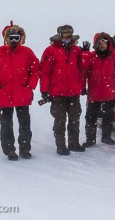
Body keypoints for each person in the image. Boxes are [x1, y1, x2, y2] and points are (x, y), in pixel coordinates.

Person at [0, 22, 39, 161]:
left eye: (17, 37)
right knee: (6, 124)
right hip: (3, 95)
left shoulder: (27, 52)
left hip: (22, 94)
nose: (15, 40)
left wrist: (30, 86)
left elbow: (35, 69)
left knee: (25, 123)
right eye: (12, 37)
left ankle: (25, 148)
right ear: (7, 37)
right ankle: (9, 150)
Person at [40, 25, 86, 155]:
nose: (67, 38)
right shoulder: (50, 50)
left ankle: (73, 143)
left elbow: (83, 69)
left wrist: (82, 87)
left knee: (74, 118)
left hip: (73, 92)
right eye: (65, 36)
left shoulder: (77, 50)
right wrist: (44, 90)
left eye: (69, 36)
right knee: (60, 120)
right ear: (60, 36)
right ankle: (60, 145)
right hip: (57, 92)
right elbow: (44, 72)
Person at [82, 32, 115, 147]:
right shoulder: (91, 56)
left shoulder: (114, 56)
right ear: (96, 44)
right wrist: (82, 87)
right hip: (94, 92)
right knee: (90, 116)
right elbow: (83, 72)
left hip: (109, 92)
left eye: (105, 42)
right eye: (101, 42)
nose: (103, 45)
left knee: (108, 116)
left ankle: (106, 137)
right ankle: (90, 139)